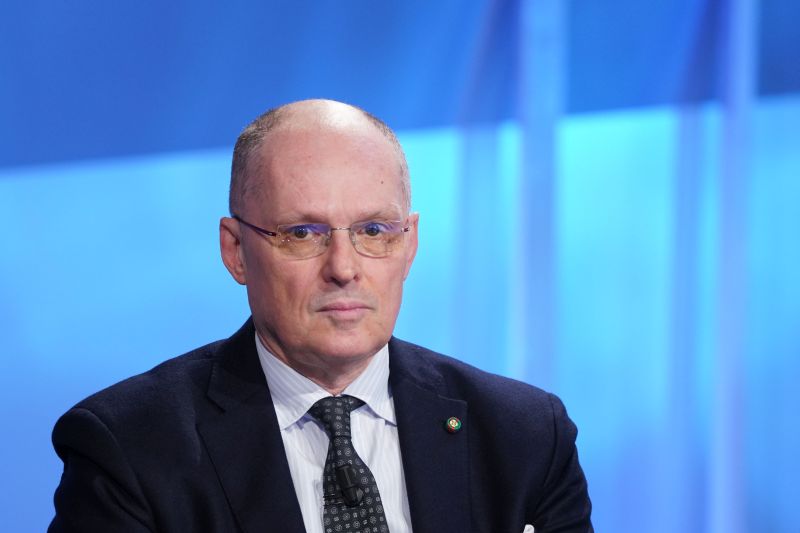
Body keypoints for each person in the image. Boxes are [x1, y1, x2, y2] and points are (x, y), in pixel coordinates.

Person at [49, 99, 592, 532]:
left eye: (374, 231)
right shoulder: (131, 448)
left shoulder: (524, 437)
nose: (343, 268)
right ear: (236, 251)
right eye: (302, 233)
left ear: (410, 245)